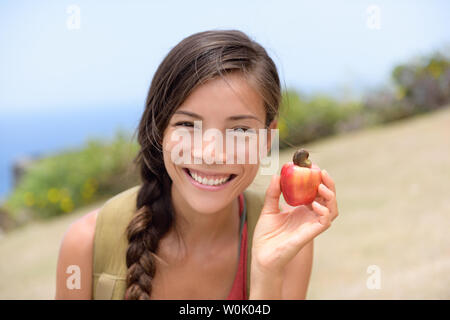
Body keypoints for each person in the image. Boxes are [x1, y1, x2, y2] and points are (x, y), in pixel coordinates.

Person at [55, 29, 339, 300]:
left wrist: (267, 272)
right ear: (159, 130)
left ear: (267, 140)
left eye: (239, 131)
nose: (211, 153)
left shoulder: (287, 244)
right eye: (188, 124)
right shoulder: (86, 244)